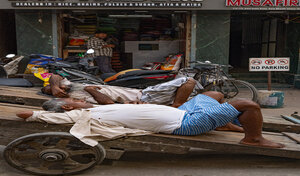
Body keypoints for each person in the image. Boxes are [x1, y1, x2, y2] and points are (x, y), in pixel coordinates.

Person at [17, 92, 283, 149]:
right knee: (248, 105)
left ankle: (224, 120)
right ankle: (253, 137)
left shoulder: (95, 106)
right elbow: (31, 114)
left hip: (185, 112)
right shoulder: (78, 114)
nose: (78, 99)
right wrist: (35, 114)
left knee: (211, 93)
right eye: (73, 100)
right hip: (186, 124)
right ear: (67, 107)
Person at [41, 74, 197, 108]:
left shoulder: (70, 86)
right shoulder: (77, 98)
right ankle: (178, 104)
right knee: (188, 80)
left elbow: (54, 75)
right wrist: (90, 90)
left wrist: (54, 85)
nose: (62, 87)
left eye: (59, 86)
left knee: (196, 93)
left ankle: (178, 103)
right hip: (143, 97)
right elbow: (108, 103)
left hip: (143, 93)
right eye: (54, 90)